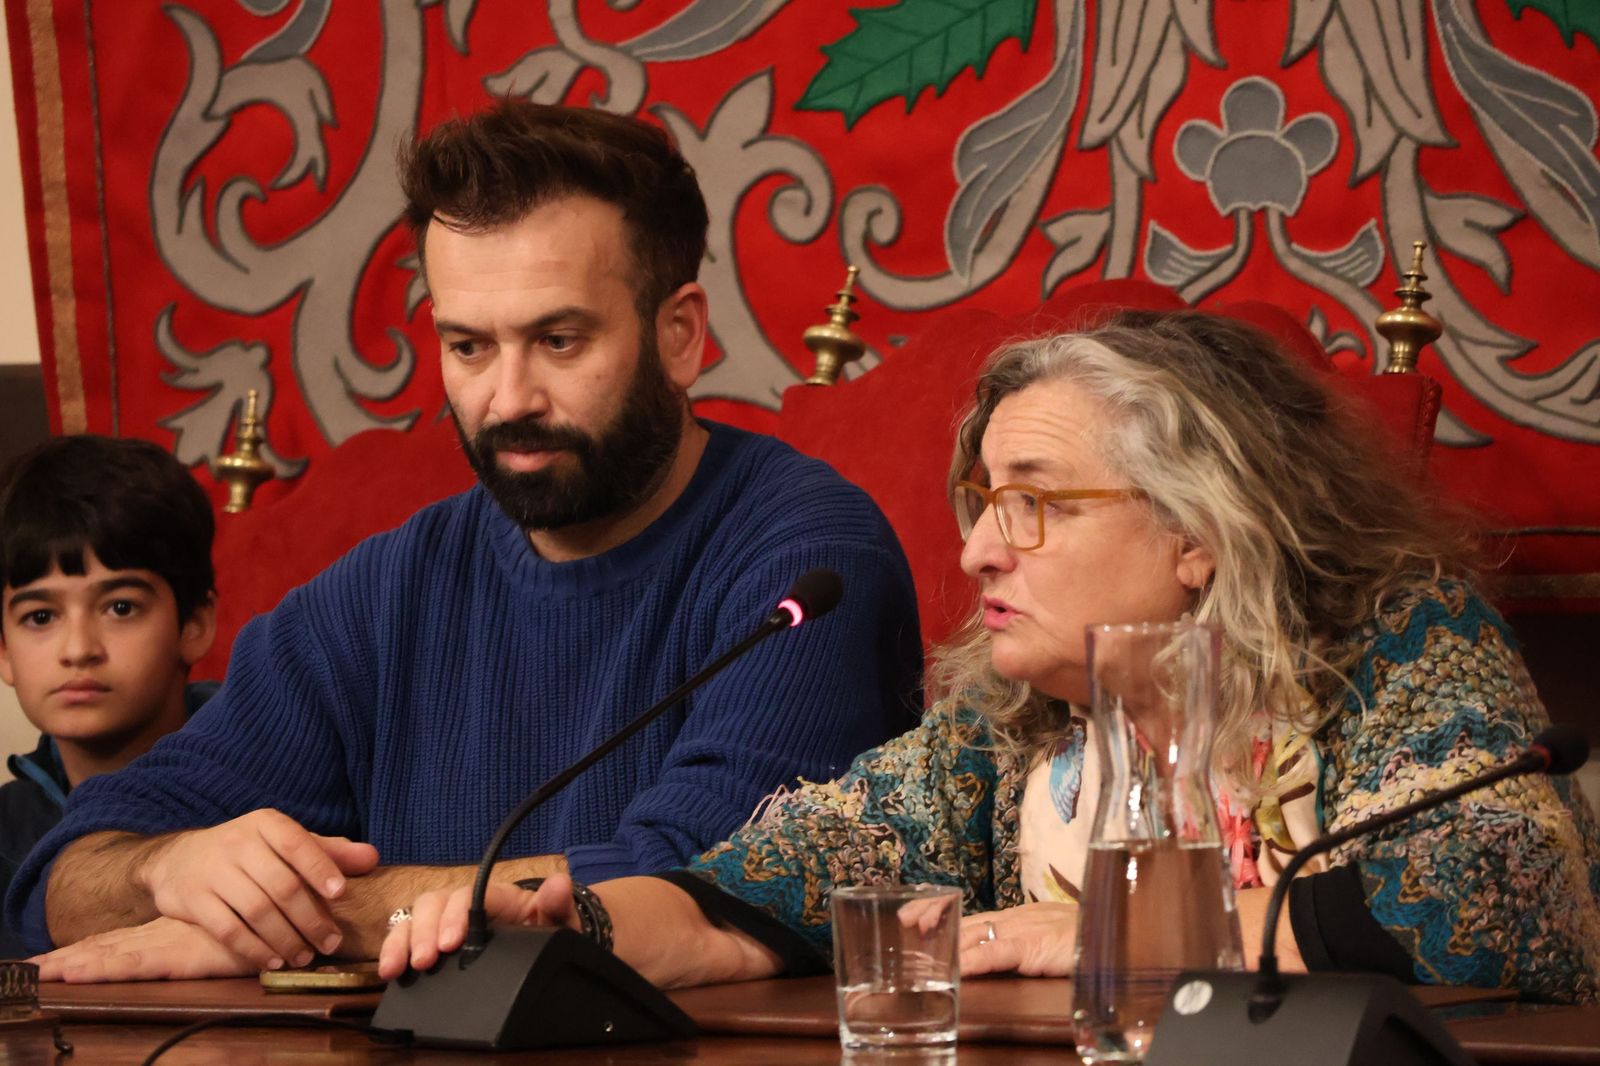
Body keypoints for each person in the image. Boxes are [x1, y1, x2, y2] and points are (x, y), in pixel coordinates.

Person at [381, 310, 1600, 1004]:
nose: (974, 551)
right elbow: (760, 894)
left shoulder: (1398, 641)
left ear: (1195, 530)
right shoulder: (1012, 727)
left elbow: (1507, 893)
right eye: (978, 501)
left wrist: (1112, 932)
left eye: (1034, 503)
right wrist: (565, 924)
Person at [14, 101, 922, 978]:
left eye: (559, 341)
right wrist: (160, 871)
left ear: (679, 336)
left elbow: (690, 887)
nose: (509, 399)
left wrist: (285, 922)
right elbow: (56, 877)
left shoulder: (809, 559)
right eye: (469, 347)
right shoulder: (383, 592)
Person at [0, 436, 219, 958]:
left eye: (120, 608)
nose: (78, 650)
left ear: (194, 623)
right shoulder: (6, 830)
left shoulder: (281, 786)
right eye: (40, 617)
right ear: (4, 652)